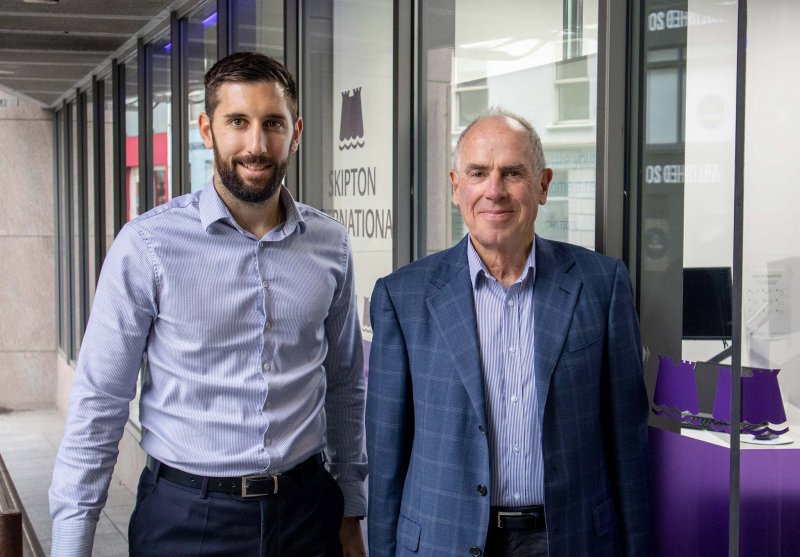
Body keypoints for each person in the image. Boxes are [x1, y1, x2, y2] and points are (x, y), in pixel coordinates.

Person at [49, 52, 367, 557]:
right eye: (237, 122)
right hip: (185, 518)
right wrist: (72, 542)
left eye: (273, 123)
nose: (256, 145)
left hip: (307, 515)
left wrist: (352, 507)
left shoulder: (330, 244)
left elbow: (347, 383)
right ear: (206, 129)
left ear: (296, 131)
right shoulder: (148, 246)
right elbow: (99, 402)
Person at [366, 109, 651, 557]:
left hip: (570, 539)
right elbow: (386, 456)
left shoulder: (602, 285)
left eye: (513, 173)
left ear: (542, 185)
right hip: (442, 540)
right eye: (478, 173)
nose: (494, 191)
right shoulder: (402, 297)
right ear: (456, 186)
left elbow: (628, 445)